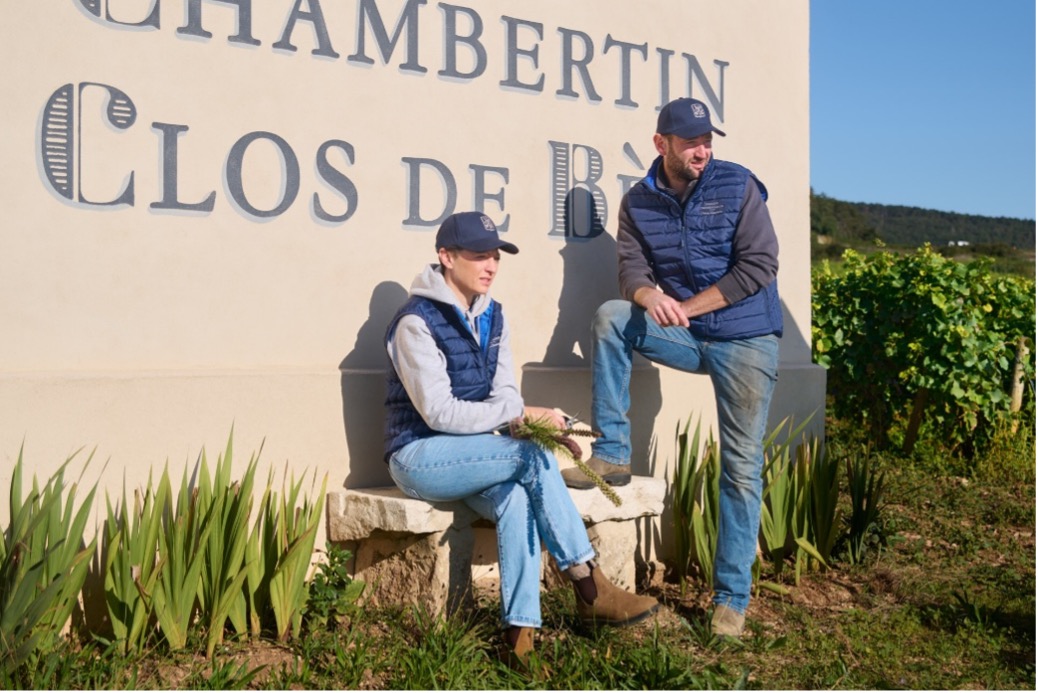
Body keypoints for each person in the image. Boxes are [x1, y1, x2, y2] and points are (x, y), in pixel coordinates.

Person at [383, 211, 659, 666]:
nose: (490, 265)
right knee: (531, 460)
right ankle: (588, 585)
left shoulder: (494, 315)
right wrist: (521, 417)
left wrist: (535, 425)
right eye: (478, 256)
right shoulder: (415, 322)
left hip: (482, 456)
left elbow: (506, 394)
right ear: (446, 257)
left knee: (515, 497)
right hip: (419, 456)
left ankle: (519, 637)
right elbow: (439, 411)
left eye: (495, 256)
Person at [561, 97, 782, 638]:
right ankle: (612, 453)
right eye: (691, 143)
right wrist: (646, 294)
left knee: (741, 467)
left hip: (746, 336)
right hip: (686, 333)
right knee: (614, 317)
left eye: (708, 140)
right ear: (661, 145)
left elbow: (759, 264)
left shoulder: (738, 186)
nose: (702, 151)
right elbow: (631, 269)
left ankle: (730, 601)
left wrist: (686, 306)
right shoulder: (638, 202)